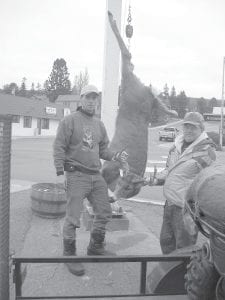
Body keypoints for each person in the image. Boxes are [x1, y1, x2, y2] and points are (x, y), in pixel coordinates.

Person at [53, 84, 128, 276]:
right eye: (88, 97)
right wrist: (61, 172)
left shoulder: (99, 125)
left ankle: (95, 248)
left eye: (94, 98)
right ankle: (69, 255)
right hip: (76, 175)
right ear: (81, 99)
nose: (91, 101)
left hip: (96, 176)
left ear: (97, 101)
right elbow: (59, 146)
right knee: (73, 218)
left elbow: (103, 150)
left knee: (104, 212)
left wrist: (117, 156)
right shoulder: (69, 121)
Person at [151, 112, 216, 254]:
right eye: (186, 126)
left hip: (187, 210)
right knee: (166, 242)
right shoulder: (175, 147)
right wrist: (155, 180)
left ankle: (183, 275)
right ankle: (170, 273)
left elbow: (209, 183)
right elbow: (169, 170)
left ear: (201, 129)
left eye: (193, 127)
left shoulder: (207, 151)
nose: (189, 130)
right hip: (169, 205)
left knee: (184, 249)